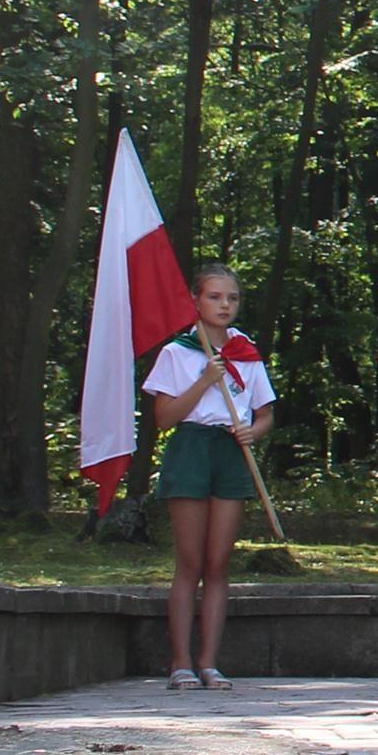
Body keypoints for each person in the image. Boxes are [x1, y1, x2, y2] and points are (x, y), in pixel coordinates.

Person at [146, 261, 273, 691]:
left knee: (219, 563)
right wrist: (205, 381)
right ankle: (180, 662)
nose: (224, 305)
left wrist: (251, 431)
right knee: (191, 561)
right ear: (196, 301)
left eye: (232, 298)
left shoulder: (246, 350)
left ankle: (209, 663)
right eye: (215, 297)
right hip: (191, 448)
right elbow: (163, 418)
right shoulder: (176, 352)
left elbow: (265, 414)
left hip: (230, 451)